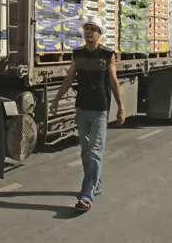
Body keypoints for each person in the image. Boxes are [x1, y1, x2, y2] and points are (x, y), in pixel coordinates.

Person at [50, 16, 125, 212]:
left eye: (93, 29)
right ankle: (95, 183)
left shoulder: (108, 54)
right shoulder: (77, 54)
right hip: (82, 108)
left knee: (95, 151)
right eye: (87, 29)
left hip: (100, 109)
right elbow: (68, 78)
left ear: (100, 34)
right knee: (85, 150)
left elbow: (114, 82)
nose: (89, 32)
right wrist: (56, 100)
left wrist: (121, 107)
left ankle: (86, 194)